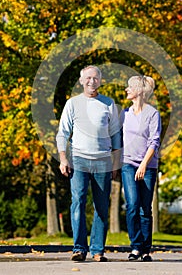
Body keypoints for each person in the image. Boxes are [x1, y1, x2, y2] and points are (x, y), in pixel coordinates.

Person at [56, 65, 121, 262]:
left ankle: (98, 250)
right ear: (81, 81)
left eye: (95, 78)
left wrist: (116, 163)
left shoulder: (108, 104)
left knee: (101, 206)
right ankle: (79, 248)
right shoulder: (73, 104)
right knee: (78, 203)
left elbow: (116, 136)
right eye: (88, 78)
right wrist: (63, 158)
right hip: (78, 160)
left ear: (100, 81)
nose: (92, 81)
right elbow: (63, 133)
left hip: (103, 160)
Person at [120, 75, 161, 262]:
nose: (127, 89)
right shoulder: (125, 114)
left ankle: (146, 250)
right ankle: (136, 246)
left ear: (139, 91)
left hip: (148, 166)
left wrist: (144, 164)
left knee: (146, 209)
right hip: (128, 163)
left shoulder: (153, 114)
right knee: (132, 205)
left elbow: (154, 141)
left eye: (130, 87)